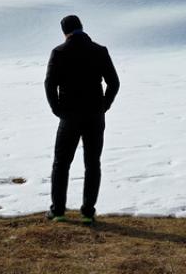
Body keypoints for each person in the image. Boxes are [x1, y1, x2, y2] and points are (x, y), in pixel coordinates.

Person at [45, 14, 119, 223]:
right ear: (82, 27)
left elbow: (49, 84)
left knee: (61, 163)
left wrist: (57, 109)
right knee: (92, 163)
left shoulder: (59, 52)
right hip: (95, 115)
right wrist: (104, 105)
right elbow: (114, 82)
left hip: (69, 115)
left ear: (64, 32)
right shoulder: (99, 51)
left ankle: (58, 211)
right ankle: (87, 212)